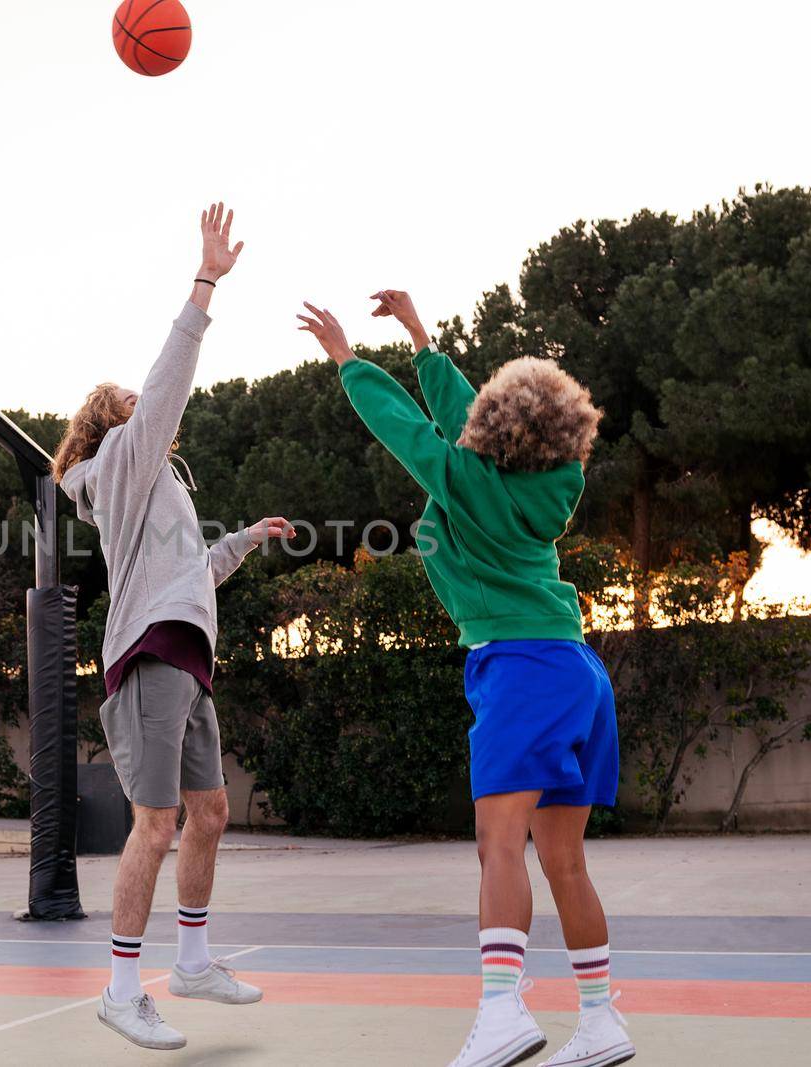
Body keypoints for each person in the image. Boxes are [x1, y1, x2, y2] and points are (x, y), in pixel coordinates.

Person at [298, 291, 632, 1067]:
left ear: (494, 436)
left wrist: (350, 363)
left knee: (496, 844)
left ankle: (500, 1007)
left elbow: (413, 431)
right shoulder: (545, 485)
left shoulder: (464, 480)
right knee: (563, 860)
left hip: (518, 667)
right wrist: (420, 339)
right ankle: (600, 1018)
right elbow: (457, 416)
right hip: (574, 668)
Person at [53, 203, 291, 1051]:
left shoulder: (158, 488)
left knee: (212, 811)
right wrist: (204, 284)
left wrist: (246, 542)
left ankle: (190, 960)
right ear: (109, 419)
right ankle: (122, 988)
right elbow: (163, 387)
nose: (141, 397)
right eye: (127, 396)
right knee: (154, 825)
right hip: (150, 657)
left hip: (186, 653)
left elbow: (190, 572)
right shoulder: (117, 463)